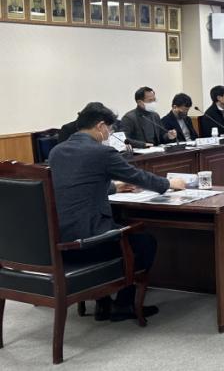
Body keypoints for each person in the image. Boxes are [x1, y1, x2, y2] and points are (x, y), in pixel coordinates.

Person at [49, 102, 186, 321]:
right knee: (145, 242)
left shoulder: (57, 152)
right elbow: (137, 176)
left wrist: (114, 187)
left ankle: (103, 304)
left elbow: (78, 183)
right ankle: (123, 304)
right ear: (100, 126)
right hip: (90, 242)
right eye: (110, 129)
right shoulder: (101, 152)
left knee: (117, 226)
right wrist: (169, 184)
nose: (109, 134)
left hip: (60, 239)